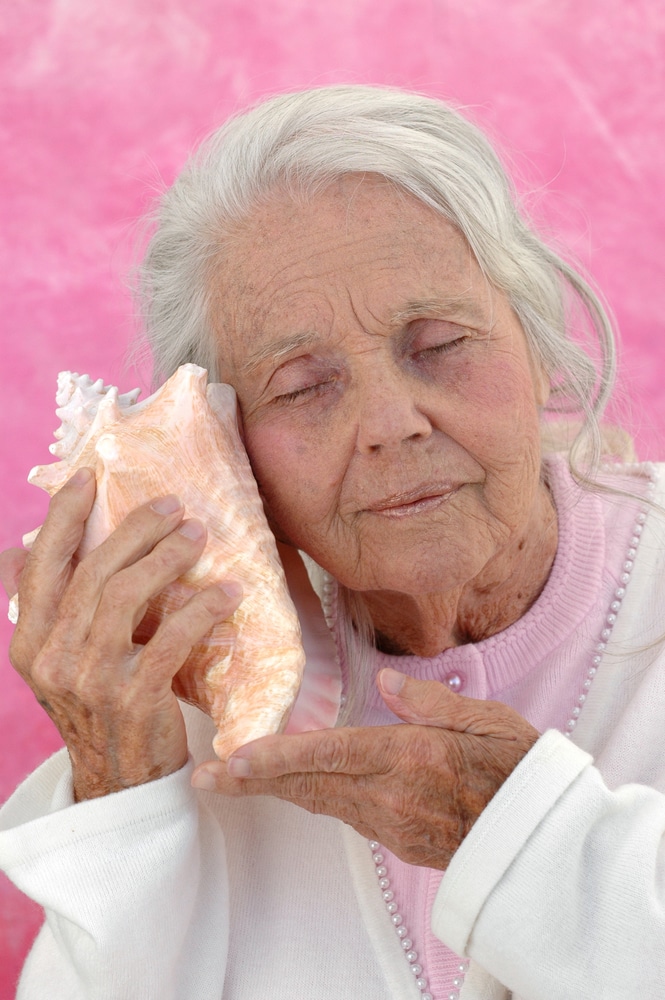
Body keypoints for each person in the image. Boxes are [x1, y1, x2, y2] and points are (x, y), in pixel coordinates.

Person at [1, 85, 664, 1000]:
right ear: (223, 438)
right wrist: (122, 804)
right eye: (302, 386)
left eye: (439, 342)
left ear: (536, 342)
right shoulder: (192, 703)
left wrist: (525, 839)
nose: (391, 423)